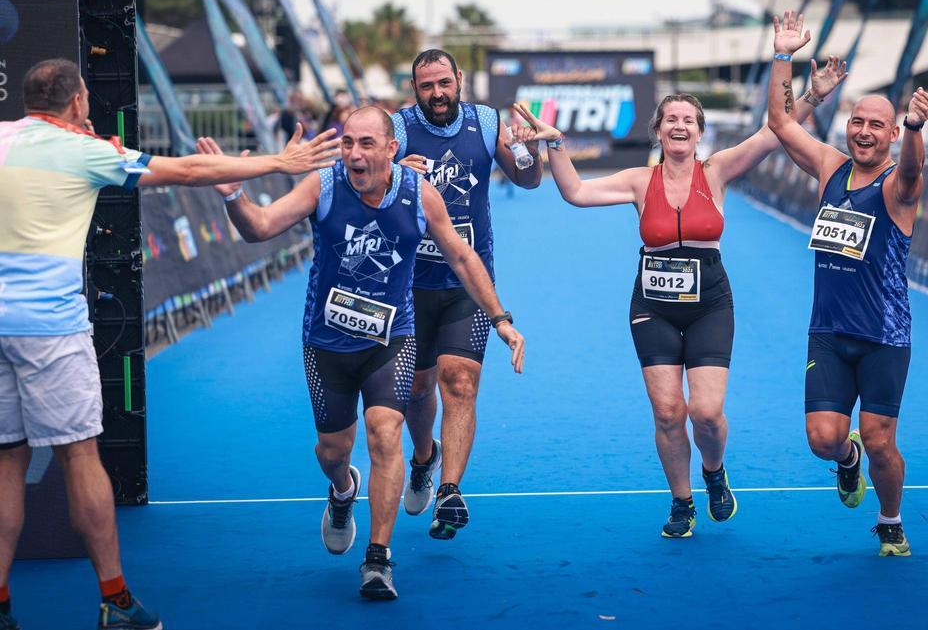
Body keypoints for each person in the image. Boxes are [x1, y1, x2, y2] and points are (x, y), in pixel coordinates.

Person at [0, 59, 339, 630]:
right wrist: (279, 161)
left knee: (6, 461)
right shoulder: (87, 152)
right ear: (78, 102)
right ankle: (116, 601)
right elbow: (184, 170)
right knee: (80, 456)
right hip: (48, 329)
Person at [510, 24, 846, 538]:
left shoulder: (717, 172)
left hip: (711, 300)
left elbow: (772, 132)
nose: (680, 126)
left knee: (706, 413)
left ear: (700, 130)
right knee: (669, 411)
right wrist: (555, 143)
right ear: (659, 130)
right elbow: (575, 192)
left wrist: (811, 96)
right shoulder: (637, 181)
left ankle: (713, 472)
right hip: (653, 304)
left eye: (689, 119)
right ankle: (681, 501)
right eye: (672, 119)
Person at [197, 106, 524, 599]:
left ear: (391, 149)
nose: (354, 153)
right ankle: (343, 490)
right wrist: (234, 195)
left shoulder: (418, 194)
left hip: (392, 339)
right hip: (326, 344)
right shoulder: (323, 187)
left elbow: (461, 255)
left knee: (385, 434)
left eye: (366, 143)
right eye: (348, 142)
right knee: (333, 452)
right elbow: (260, 227)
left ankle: (378, 558)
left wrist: (500, 318)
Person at [765, 12, 928, 557]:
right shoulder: (831, 167)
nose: (863, 131)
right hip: (829, 331)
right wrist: (784, 58)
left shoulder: (897, 187)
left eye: (875, 126)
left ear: (888, 133)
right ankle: (847, 460)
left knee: (883, 441)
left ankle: (890, 519)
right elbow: (782, 126)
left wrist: (911, 130)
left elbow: (910, 172)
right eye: (858, 121)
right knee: (824, 440)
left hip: (884, 336)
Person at [390, 49, 540, 540]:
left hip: (468, 283)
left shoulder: (487, 121)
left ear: (459, 79)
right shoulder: (397, 129)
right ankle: (423, 458)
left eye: (444, 83)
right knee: (416, 390)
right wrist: (392, 175)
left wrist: (525, 150)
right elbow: (363, 192)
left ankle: (450, 490)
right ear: (415, 89)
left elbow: (528, 179)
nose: (437, 94)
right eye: (426, 86)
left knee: (459, 382)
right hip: (410, 285)